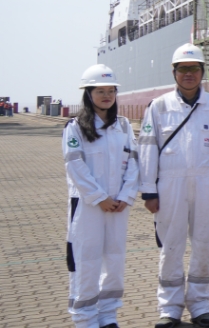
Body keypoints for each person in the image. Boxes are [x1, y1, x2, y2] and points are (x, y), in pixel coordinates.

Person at [138, 43, 209, 328]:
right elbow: (147, 147)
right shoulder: (159, 106)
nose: (189, 74)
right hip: (170, 187)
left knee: (205, 245)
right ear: (174, 72)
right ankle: (170, 309)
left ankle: (201, 306)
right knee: (171, 247)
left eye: (194, 69)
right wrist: (149, 190)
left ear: (203, 72)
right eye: (183, 69)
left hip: (206, 185)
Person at [64, 64, 138, 328]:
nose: (107, 96)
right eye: (100, 91)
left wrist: (126, 196)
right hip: (88, 207)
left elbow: (134, 162)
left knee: (114, 261)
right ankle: (85, 319)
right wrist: (99, 197)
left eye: (111, 91)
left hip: (118, 206)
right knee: (86, 260)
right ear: (88, 94)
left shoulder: (124, 126)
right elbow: (74, 165)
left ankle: (108, 316)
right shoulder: (75, 127)